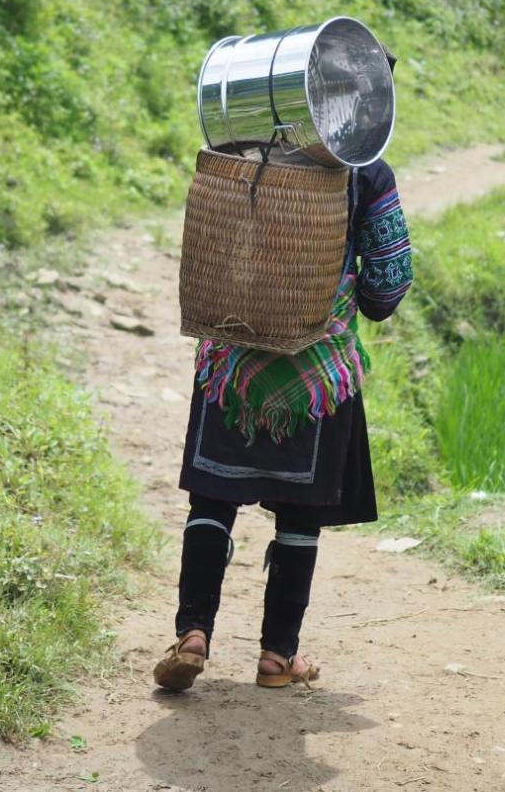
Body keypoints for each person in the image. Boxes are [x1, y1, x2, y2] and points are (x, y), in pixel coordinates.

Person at [154, 155, 413, 692]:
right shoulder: (365, 171)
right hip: (313, 370)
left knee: (212, 499)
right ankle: (277, 655)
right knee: (300, 512)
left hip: (231, 360)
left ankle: (193, 634)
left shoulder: (235, 148)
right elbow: (387, 285)